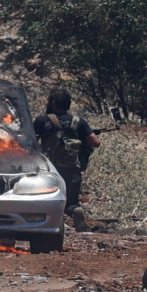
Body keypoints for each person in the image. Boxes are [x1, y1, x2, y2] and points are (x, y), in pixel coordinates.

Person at [33, 88, 100, 232]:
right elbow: (95, 142)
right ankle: (75, 210)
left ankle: (44, 225)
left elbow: (31, 143)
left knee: (45, 199)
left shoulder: (42, 121)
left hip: (48, 170)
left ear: (53, 102)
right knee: (71, 202)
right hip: (72, 168)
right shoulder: (78, 122)